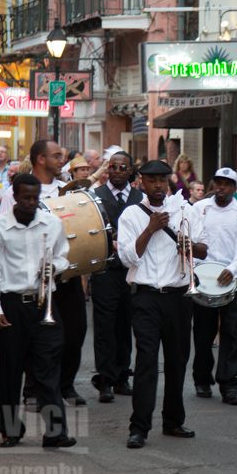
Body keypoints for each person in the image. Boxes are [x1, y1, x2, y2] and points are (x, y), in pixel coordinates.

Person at [0, 173, 77, 450]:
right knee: (11, 371)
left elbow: (62, 255)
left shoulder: (51, 223)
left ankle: (56, 431)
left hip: (43, 302)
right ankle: (10, 431)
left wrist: (53, 268)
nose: (31, 203)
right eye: (26, 197)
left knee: (48, 367)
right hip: (11, 303)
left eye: (35, 198)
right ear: (14, 195)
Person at [118, 160, 208, 449]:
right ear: (141, 181)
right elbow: (127, 258)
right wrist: (151, 228)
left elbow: (205, 248)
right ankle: (139, 428)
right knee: (146, 361)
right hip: (145, 296)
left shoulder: (185, 209)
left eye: (162, 180)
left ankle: (173, 421)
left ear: (169, 180)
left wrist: (189, 246)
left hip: (179, 295)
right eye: (151, 180)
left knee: (177, 360)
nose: (157, 185)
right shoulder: (131, 214)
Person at [0, 141, 87, 406]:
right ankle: (34, 387)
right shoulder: (16, 191)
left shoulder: (67, 189)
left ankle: (65, 384)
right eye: (56, 155)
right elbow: (6, 230)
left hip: (64, 272)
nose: (63, 159)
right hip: (32, 279)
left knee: (75, 333)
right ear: (40, 159)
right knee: (34, 337)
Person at [191, 168, 237, 405]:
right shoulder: (199, 208)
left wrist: (232, 270)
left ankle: (229, 384)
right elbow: (191, 240)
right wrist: (198, 270)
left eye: (227, 184)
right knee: (204, 332)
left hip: (231, 277)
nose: (221, 188)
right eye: (218, 183)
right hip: (204, 278)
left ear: (234, 187)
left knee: (231, 333)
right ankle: (202, 379)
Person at [90, 152, 141, 402]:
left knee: (125, 325)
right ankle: (106, 380)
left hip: (132, 271)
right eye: (113, 166)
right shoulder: (95, 196)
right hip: (105, 270)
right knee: (105, 327)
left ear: (131, 170)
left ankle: (122, 376)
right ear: (107, 169)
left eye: (123, 167)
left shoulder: (139, 197)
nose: (118, 170)